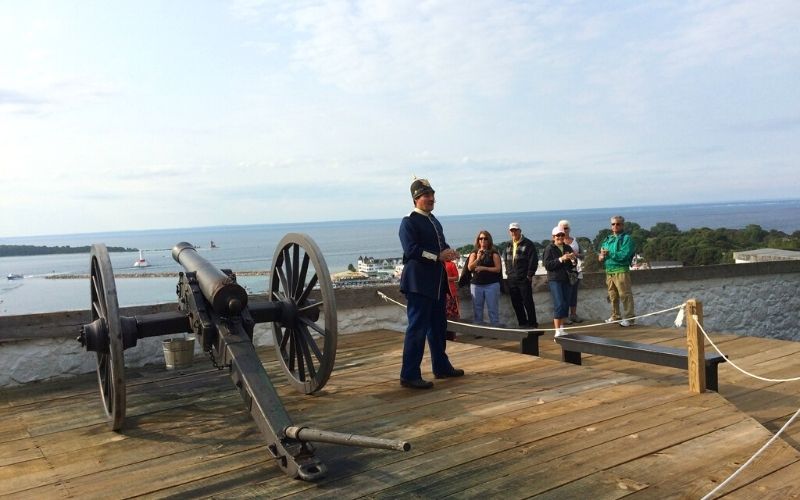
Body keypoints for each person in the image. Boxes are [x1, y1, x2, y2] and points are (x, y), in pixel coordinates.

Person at [398, 178, 464, 389]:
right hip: (418, 283)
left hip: (436, 283)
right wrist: (438, 256)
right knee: (417, 329)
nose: (431, 199)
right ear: (416, 198)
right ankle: (409, 374)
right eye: (426, 195)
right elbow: (412, 250)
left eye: (432, 195)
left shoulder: (433, 220)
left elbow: (440, 245)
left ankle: (441, 367)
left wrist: (448, 252)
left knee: (438, 327)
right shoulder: (408, 221)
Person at [598, 215, 636, 327]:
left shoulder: (627, 239)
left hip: (621, 270)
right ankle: (615, 316)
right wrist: (601, 256)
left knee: (625, 295)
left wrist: (609, 253)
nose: (615, 226)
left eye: (618, 224)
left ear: (623, 225)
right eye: (613, 224)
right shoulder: (608, 239)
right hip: (609, 270)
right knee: (612, 296)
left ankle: (630, 318)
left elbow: (624, 255)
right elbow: (601, 254)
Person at [502, 222, 539, 328]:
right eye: (511, 230)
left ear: (520, 231)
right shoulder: (508, 244)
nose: (513, 232)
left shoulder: (528, 244)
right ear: (509, 232)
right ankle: (522, 323)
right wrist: (508, 273)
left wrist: (529, 275)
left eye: (515, 230)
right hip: (512, 279)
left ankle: (533, 323)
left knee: (528, 302)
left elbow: (533, 260)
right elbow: (506, 260)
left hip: (524, 279)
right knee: (516, 303)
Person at [543, 226, 577, 338]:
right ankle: (557, 330)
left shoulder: (567, 247)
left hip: (566, 278)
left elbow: (574, 264)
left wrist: (573, 260)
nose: (560, 237)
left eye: (562, 235)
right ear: (553, 237)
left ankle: (562, 328)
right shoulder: (549, 248)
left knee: (565, 303)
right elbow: (547, 265)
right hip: (555, 279)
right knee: (559, 303)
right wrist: (561, 259)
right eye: (558, 235)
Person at [466, 230, 503, 326]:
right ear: (478, 240)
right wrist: (478, 258)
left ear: (489, 240)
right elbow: (470, 267)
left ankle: (495, 330)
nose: (483, 240)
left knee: (493, 309)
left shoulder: (493, 253)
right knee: (477, 310)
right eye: (480, 238)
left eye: (485, 238)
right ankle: (479, 331)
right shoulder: (474, 253)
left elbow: (498, 269)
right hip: (476, 285)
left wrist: (484, 268)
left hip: (491, 284)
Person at [558, 219, 584, 324]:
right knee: (565, 295)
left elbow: (583, 255)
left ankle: (573, 314)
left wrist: (576, 255)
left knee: (573, 294)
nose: (565, 230)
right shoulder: (557, 242)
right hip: (563, 273)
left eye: (566, 228)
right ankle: (564, 316)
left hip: (575, 271)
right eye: (563, 228)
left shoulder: (575, 241)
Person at [444, 259, 460, 340]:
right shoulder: (437, 263)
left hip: (451, 293)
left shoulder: (451, 264)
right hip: (442, 294)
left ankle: (453, 335)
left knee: (452, 315)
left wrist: (445, 278)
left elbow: (456, 277)